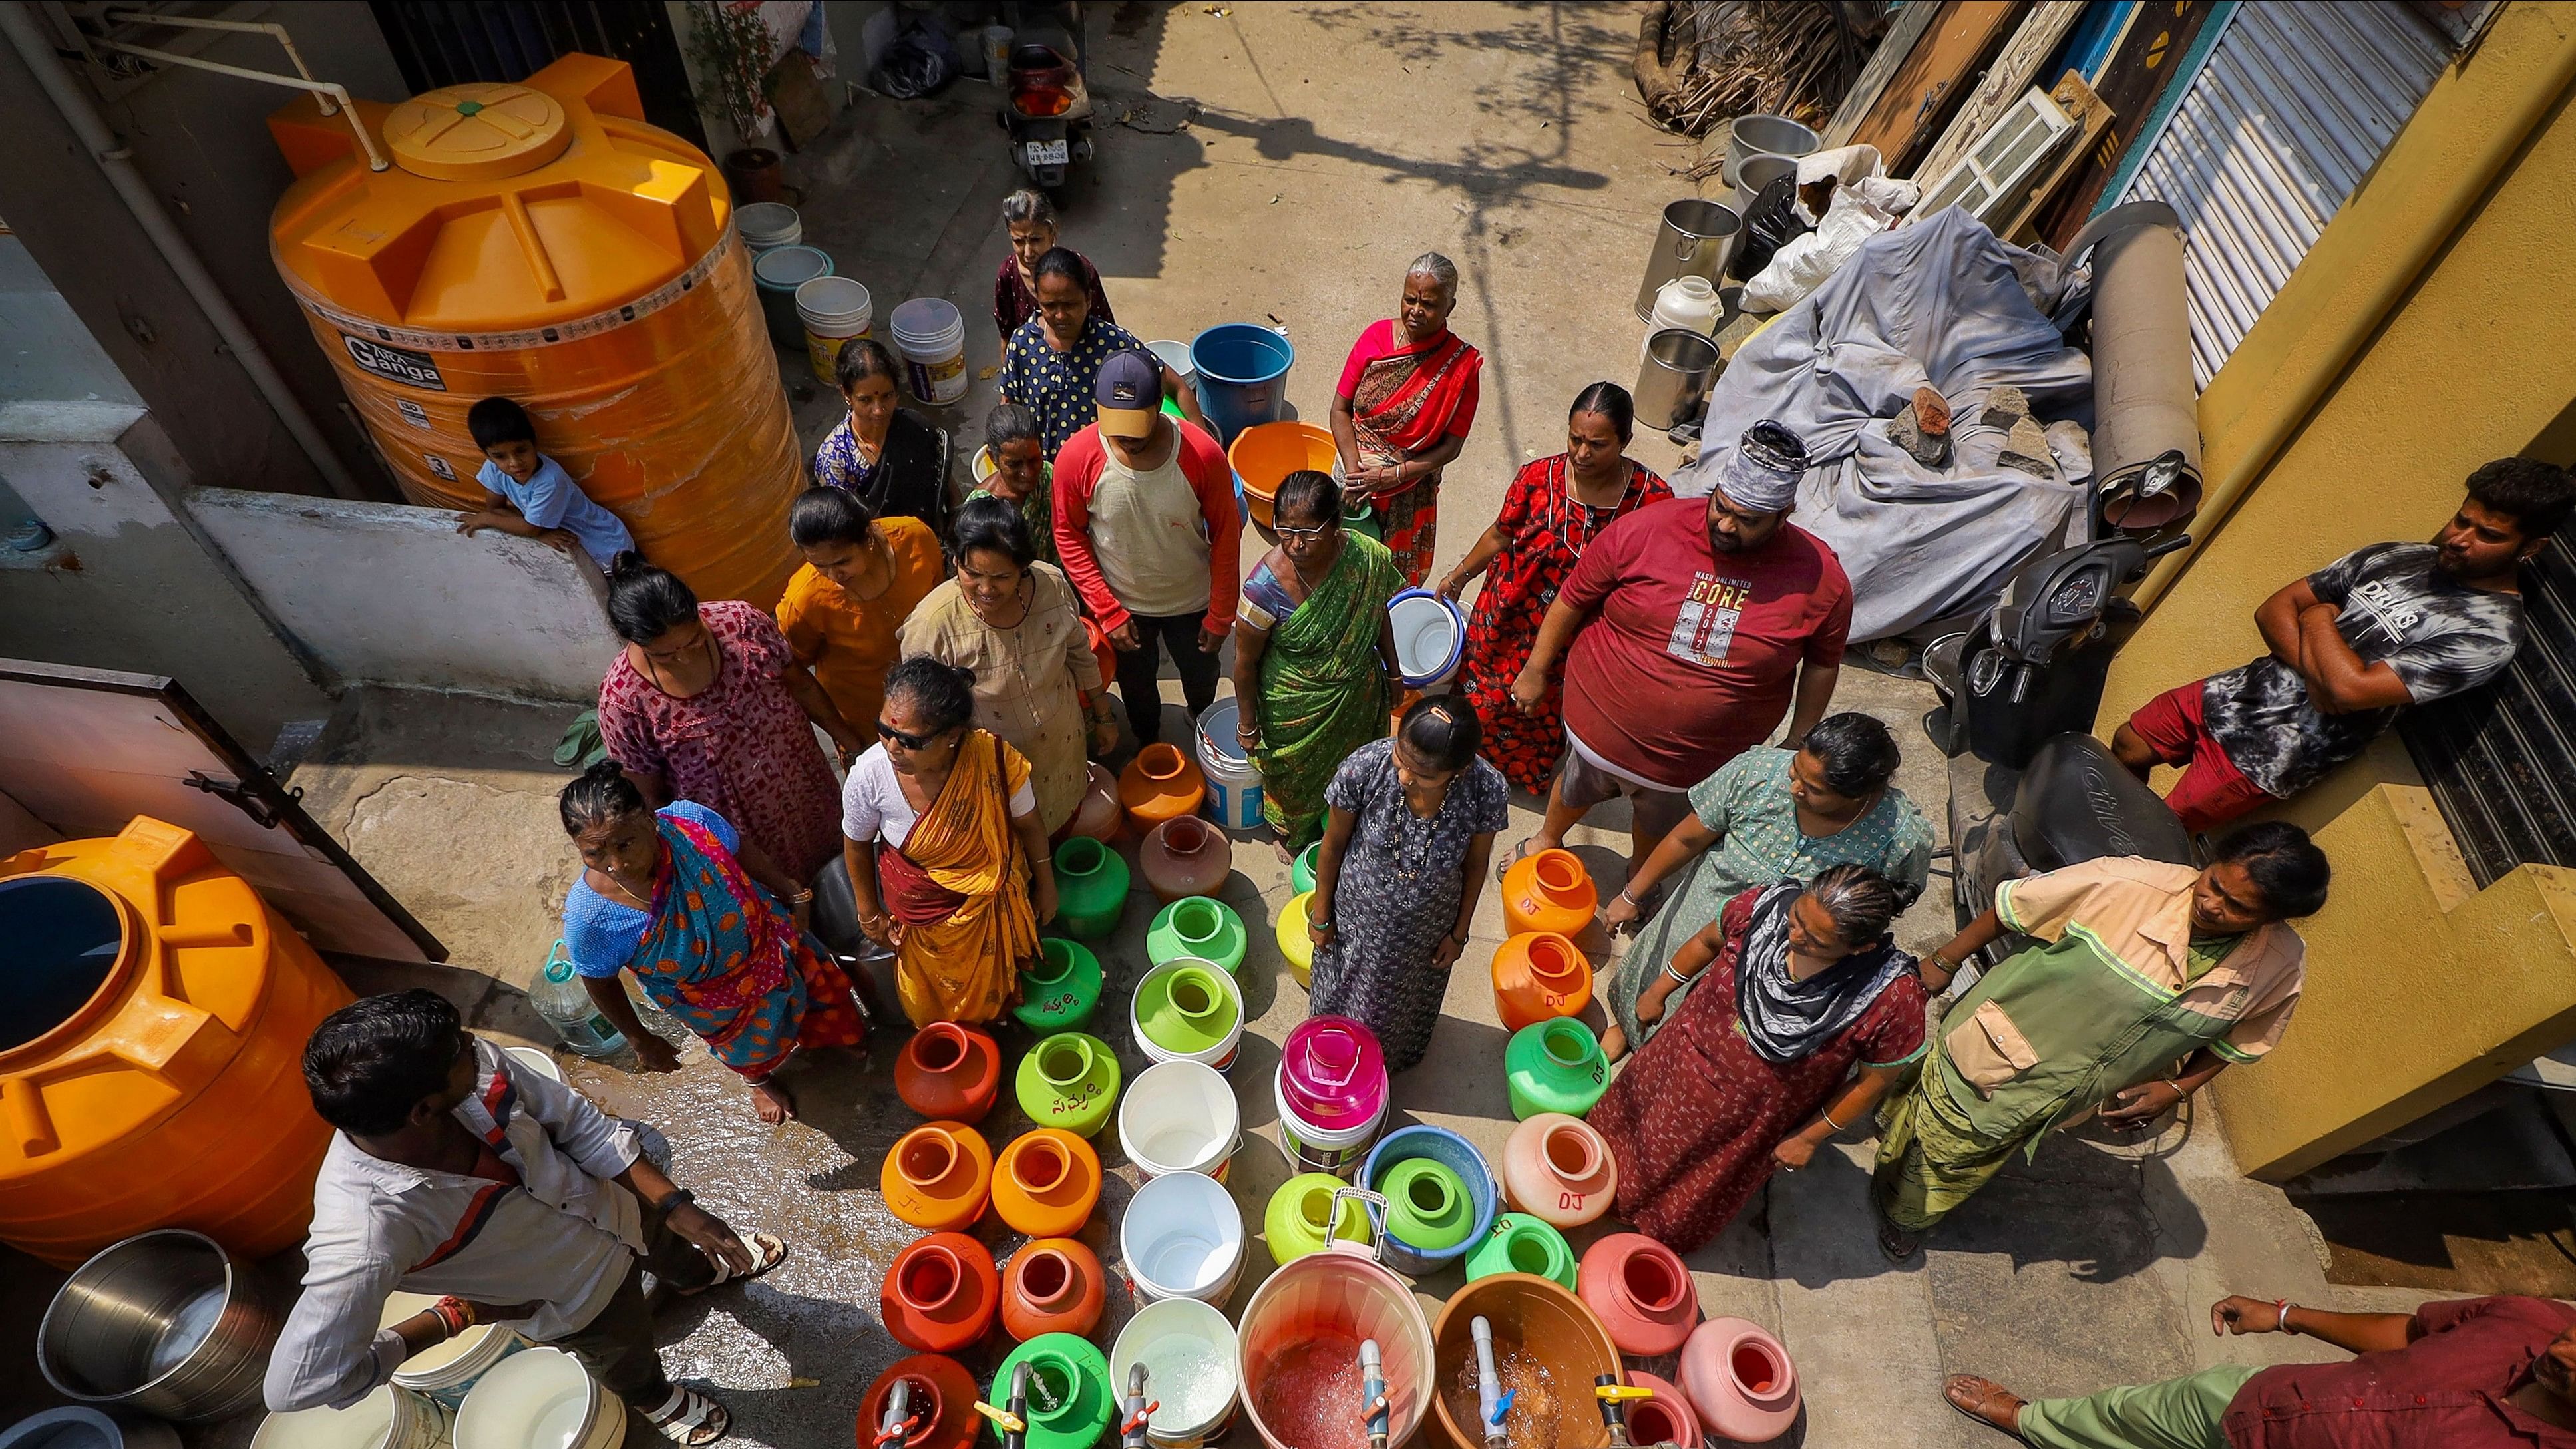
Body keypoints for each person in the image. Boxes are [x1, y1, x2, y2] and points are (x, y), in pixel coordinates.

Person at [264, 990, 777, 1444]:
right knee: (624, 1356)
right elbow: (299, 1382)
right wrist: (447, 1319)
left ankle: (697, 1274)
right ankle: (655, 1397)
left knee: (671, 1246)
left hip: (619, 1205)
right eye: (461, 1051)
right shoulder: (367, 1229)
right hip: (577, 1299)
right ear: (422, 1109)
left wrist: (675, 1205)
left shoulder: (464, 1068)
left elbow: (576, 1122)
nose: (476, 1045)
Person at [1873, 822, 2330, 1260]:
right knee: (1944, 1145)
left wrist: (2178, 1087)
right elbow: (2015, 908)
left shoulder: (2281, 964)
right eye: (2212, 882)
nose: (2211, 903)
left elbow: (2238, 1041)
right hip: (1993, 1045)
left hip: (2062, 1093)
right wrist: (1946, 958)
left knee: (1976, 1143)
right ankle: (1902, 1211)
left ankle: (1898, 1158)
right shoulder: (2125, 882)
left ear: (2272, 918)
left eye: (2238, 907)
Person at [2113, 458, 2571, 833]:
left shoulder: (2489, 634)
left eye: (2487, 535)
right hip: (2231, 693)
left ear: (2530, 548)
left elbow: (2351, 692)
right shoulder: (2399, 556)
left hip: (2274, 755)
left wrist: (2315, 618)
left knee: (2159, 829)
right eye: (2461, 520)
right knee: (2127, 743)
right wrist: (2320, 667)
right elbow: (2273, 609)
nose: (2458, 539)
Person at [1505, 421, 1851, 879]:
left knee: (1658, 821)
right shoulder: (1647, 528)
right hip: (1597, 732)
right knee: (1573, 786)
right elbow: (1574, 596)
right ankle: (1547, 838)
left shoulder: (1820, 578)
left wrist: (1799, 736)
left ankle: (1639, 876)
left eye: (1747, 520)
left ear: (1783, 513)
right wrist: (1535, 668)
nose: (1726, 526)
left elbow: (1822, 664)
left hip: (1694, 763)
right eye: (1720, 508)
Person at [1588, 865, 1926, 1252]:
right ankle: (1592, 1186)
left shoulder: (1892, 998)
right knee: (1624, 1136)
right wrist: (1659, 989)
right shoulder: (1764, 908)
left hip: (1744, 1124)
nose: (1794, 936)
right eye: (1796, 918)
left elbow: (1875, 1081)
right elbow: (1706, 941)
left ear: (1860, 948)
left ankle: (1645, 1235)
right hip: (1670, 1066)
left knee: (1683, 1180)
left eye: (1815, 941)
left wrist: (1810, 1137)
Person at [1597, 712, 1932, 1062]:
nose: (1794, 788)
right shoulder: (1756, 773)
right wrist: (1632, 894)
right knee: (1658, 979)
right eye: (1795, 771)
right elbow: (1686, 838)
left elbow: (1885, 903)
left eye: (1813, 789)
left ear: (1858, 794)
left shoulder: (1900, 838)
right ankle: (1628, 1027)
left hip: (1785, 959)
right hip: (1697, 917)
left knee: (1719, 1033)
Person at [556, 764, 866, 1124]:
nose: (617, 864)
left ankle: (836, 1036)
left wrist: (792, 892)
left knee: (821, 994)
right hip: (717, 1003)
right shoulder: (590, 916)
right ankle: (759, 1079)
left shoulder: (690, 823)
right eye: (595, 853)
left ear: (649, 819)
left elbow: (740, 849)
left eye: (625, 844)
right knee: (751, 1048)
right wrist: (640, 1040)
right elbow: (599, 981)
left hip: (772, 944)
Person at [1944, 1292, 2576, 1449]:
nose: (2562, 1350)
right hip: (2255, 1400)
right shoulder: (2529, 1317)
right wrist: (2284, 1315)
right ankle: (2033, 1421)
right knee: (2125, 1413)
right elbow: (2410, 1330)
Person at [1441, 382, 1672, 793]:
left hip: (1578, 636)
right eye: (1575, 439)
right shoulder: (1537, 477)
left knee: (1544, 710)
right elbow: (1500, 534)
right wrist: (1459, 576)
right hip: (1507, 616)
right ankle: (1466, 761)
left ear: (1626, 441)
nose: (1582, 454)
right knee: (1483, 697)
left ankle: (1518, 775)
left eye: (1597, 444)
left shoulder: (1651, 501)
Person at [597, 558, 858, 882]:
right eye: (665, 655)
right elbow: (650, 796)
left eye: (695, 640)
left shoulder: (741, 624)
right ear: (632, 641)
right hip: (738, 834)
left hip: (806, 788)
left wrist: (852, 743)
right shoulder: (624, 701)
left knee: (841, 871)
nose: (685, 657)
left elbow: (800, 684)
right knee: (781, 898)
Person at [838, 656, 1055, 1027]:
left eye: (910, 741)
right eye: (884, 730)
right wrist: (868, 912)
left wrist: (1046, 885)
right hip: (921, 921)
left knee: (995, 981)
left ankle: (993, 1019)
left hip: (990, 907)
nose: (892, 748)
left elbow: (1030, 824)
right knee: (930, 997)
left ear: (952, 737)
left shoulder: (994, 763)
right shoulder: (868, 777)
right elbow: (857, 842)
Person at [1305, 698, 1511, 1072]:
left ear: (1460, 770)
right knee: (1339, 1002)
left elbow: (1476, 866)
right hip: (1355, 924)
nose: (1404, 777)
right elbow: (1333, 846)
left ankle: (1379, 1068)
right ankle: (1334, 1061)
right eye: (1402, 758)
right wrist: (1321, 917)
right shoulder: (1366, 768)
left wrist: (1458, 935)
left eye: (1424, 774)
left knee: (1400, 1009)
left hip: (1425, 936)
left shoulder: (1486, 790)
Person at [1053, 349, 1240, 748]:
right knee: (1138, 691)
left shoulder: (1203, 454)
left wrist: (1221, 614)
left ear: (1159, 404)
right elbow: (1068, 534)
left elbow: (1226, 532)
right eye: (1117, 427)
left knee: (1201, 679)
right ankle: (1147, 743)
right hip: (1124, 609)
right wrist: (1107, 610)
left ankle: (1200, 721)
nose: (1127, 439)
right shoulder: (1076, 458)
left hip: (1193, 603)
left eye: (1137, 425)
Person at [898, 497, 1115, 835]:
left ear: (1023, 567)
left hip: (1063, 750)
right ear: (956, 562)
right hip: (995, 773)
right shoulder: (933, 625)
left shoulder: (1052, 586)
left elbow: (1080, 654)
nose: (985, 589)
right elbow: (920, 715)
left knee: (1064, 825)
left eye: (1001, 577)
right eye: (971, 574)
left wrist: (1103, 717)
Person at [1232, 469, 1404, 852]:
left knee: (1354, 768)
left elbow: (1377, 613)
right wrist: (1247, 724)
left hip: (1357, 695)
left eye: (1309, 533)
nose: (1295, 545)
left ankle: (1342, 820)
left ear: (1337, 523)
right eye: (1285, 531)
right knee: (1293, 778)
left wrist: (1394, 675)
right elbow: (1244, 664)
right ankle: (1291, 830)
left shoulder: (1364, 557)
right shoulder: (1262, 588)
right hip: (1294, 706)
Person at [1331, 252, 1485, 587]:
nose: (1416, 311)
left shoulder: (1461, 367)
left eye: (1428, 304)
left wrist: (1391, 477)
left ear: (1450, 307)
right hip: (1354, 483)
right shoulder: (1375, 338)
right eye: (1409, 299)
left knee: (1387, 582)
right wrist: (1356, 472)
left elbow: (1451, 446)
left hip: (1408, 490)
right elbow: (1340, 409)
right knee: (1338, 569)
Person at [775, 487, 944, 745]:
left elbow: (942, 604)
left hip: (934, 704)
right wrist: (850, 743)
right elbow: (796, 675)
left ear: (868, 537)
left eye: (843, 562)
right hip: (869, 729)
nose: (834, 577)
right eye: (820, 566)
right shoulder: (804, 602)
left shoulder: (916, 538)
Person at [1000, 247, 1206, 458]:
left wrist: (1206, 448)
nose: (1060, 315)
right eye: (1050, 305)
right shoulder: (1023, 345)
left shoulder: (1113, 343)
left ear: (1088, 299)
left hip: (1099, 471)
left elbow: (1176, 384)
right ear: (1038, 300)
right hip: (1042, 473)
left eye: (1070, 304)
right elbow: (1009, 406)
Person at [457, 397, 636, 573]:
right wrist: (538, 532)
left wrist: (487, 519)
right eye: (500, 456)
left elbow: (523, 525)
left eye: (521, 450)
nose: (515, 463)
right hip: (569, 542)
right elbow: (496, 508)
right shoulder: (493, 469)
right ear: (487, 455)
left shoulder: (551, 481)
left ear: (534, 442)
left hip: (606, 546)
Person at [811, 337, 951, 532]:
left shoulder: (916, 427)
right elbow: (847, 532)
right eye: (866, 400)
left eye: (887, 396)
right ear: (846, 394)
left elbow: (946, 483)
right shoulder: (836, 459)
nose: (879, 410)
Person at [992, 188, 1114, 342]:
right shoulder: (1007, 274)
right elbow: (1006, 338)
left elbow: (1107, 331)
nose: (1028, 252)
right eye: (1019, 241)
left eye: (1036, 240)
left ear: (1053, 233)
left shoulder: (1078, 269)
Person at [969, 401, 1057, 567]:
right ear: (993, 458)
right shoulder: (983, 509)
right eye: (1014, 464)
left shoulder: (1048, 474)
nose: (1028, 473)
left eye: (1034, 460)